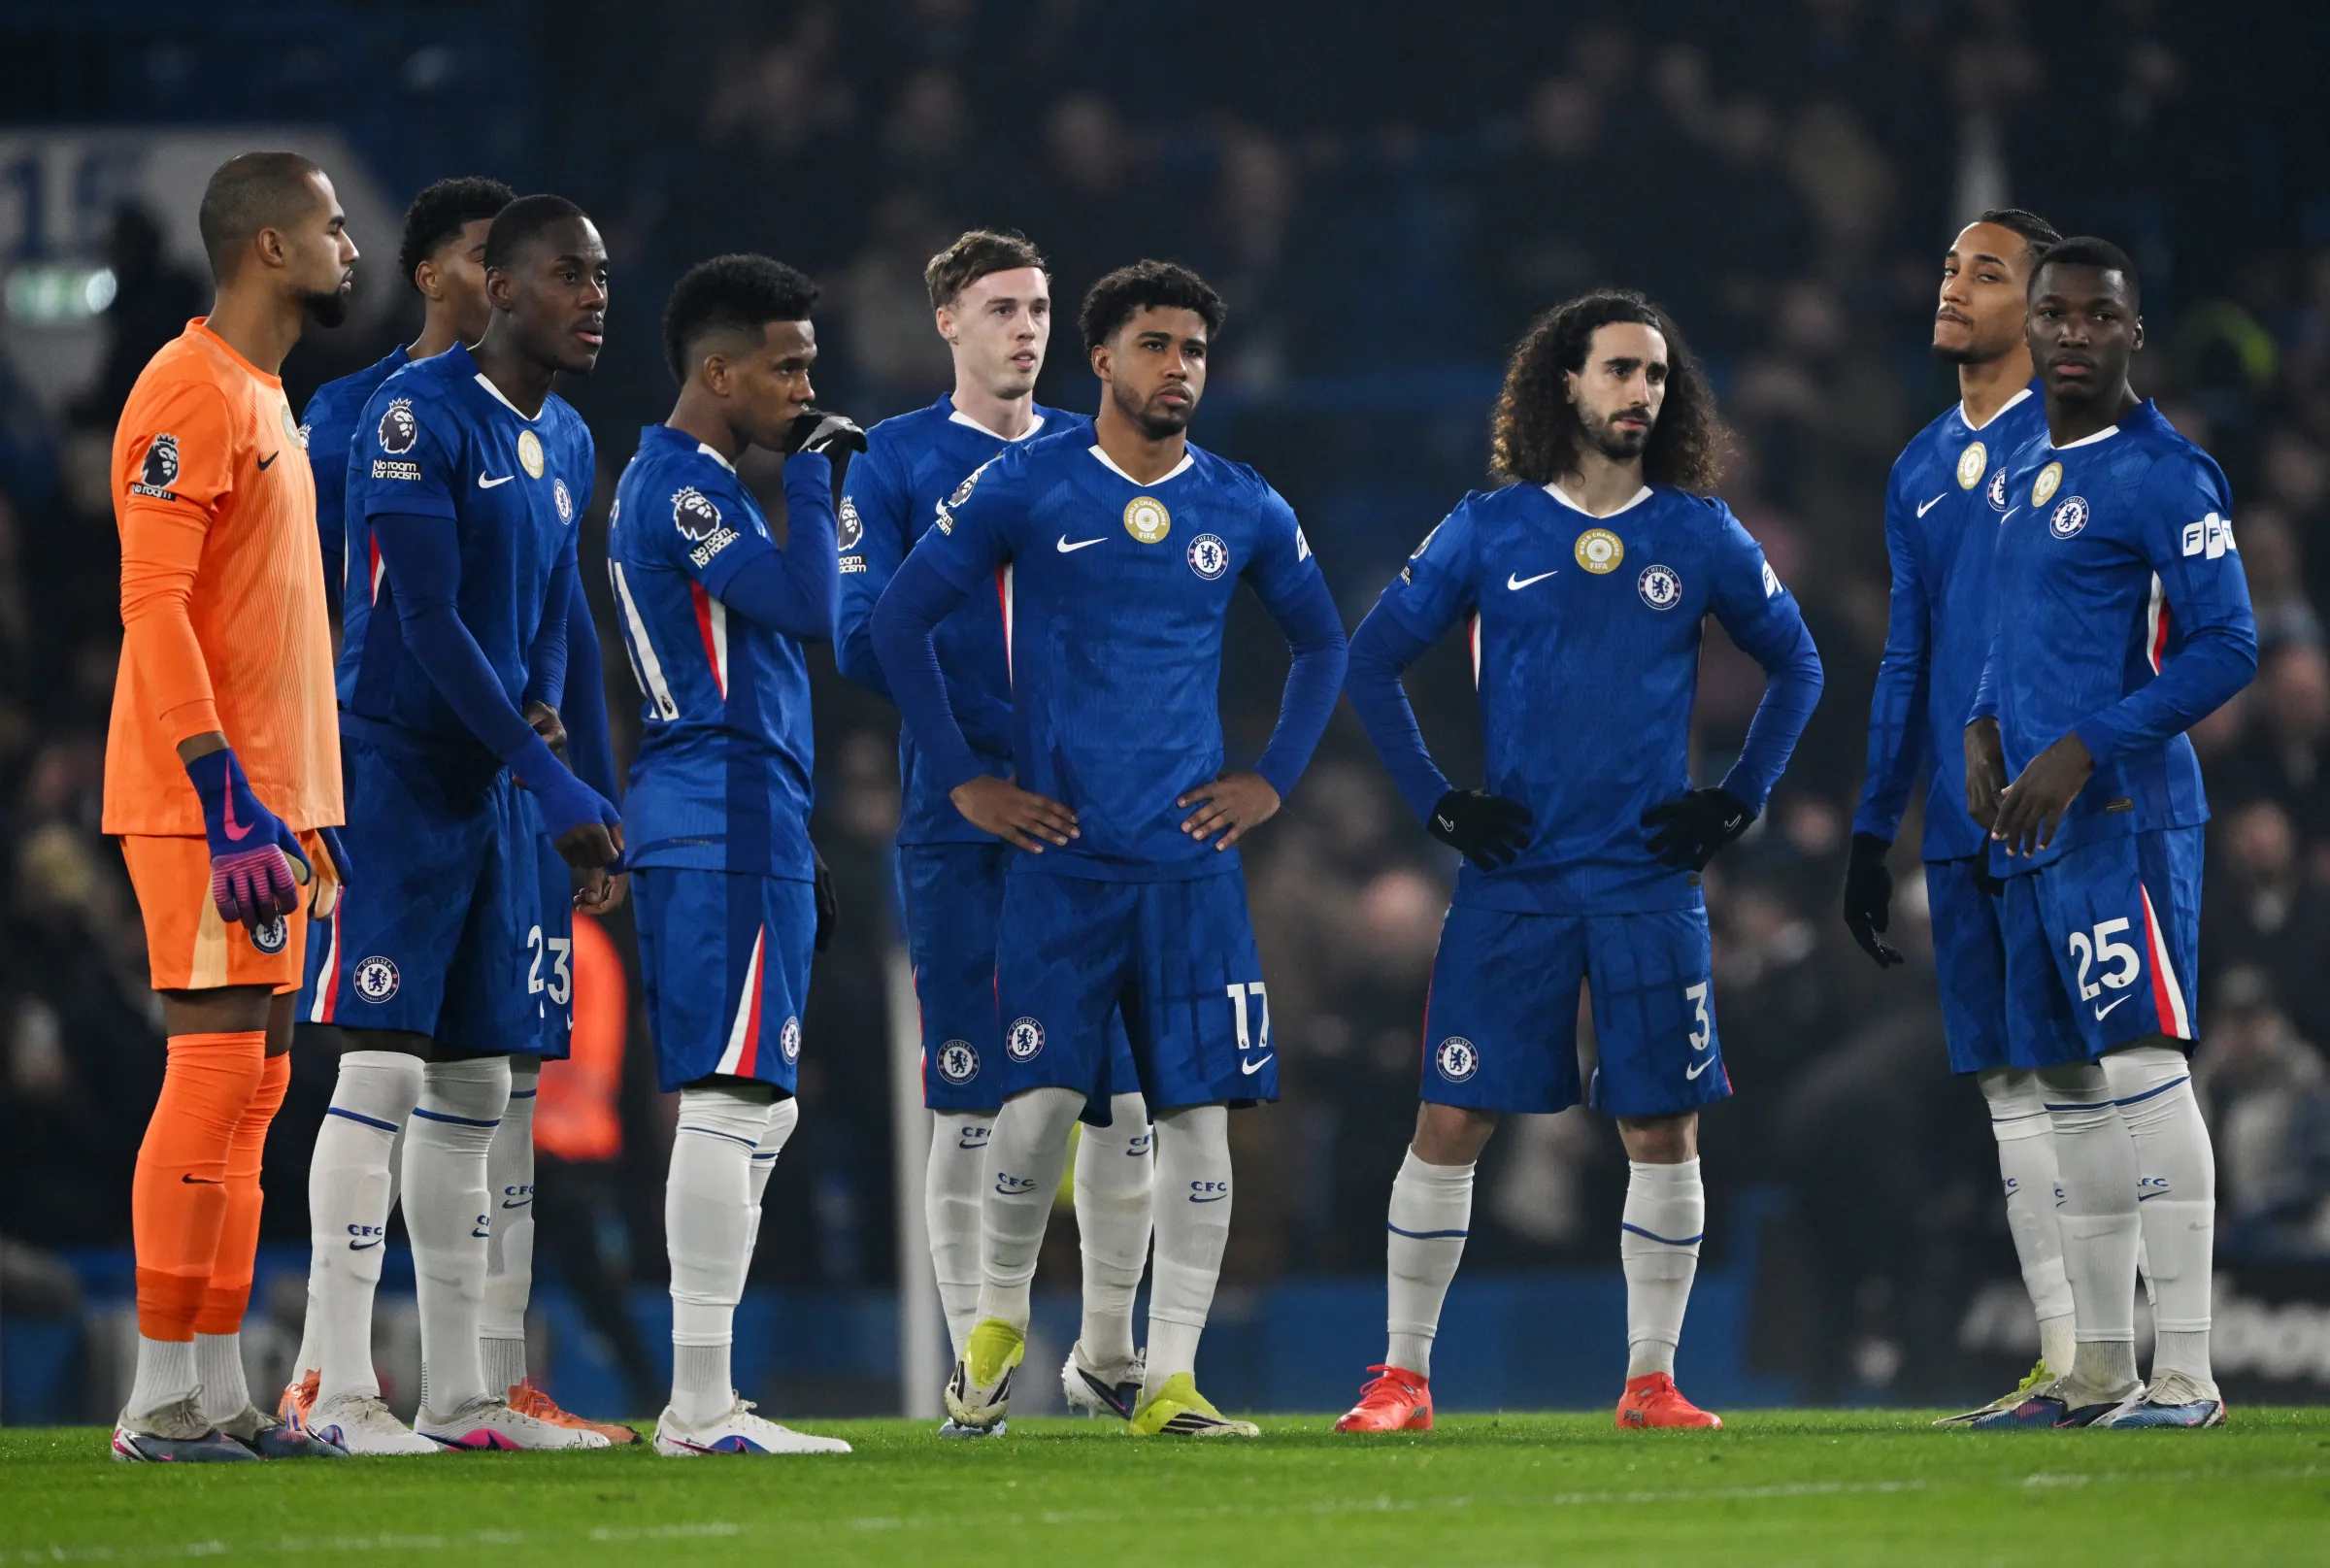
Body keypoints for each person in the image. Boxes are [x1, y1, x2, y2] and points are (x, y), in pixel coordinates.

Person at [873, 259, 1348, 1439]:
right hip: (1065, 861)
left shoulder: (1242, 501)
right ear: (1103, 359)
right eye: (1155, 345)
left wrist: (1269, 779)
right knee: (1033, 1113)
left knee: (1197, 1120)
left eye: (1193, 348)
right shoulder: (1027, 484)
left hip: (1192, 869)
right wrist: (972, 781)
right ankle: (992, 1321)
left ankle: (1170, 1375)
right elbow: (897, 618)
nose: (1178, 366)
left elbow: (1325, 645)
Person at [1334, 290, 1822, 1434]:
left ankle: (1650, 1379)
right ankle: (1403, 1376)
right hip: (1518, 882)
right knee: (1452, 1116)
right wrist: (1439, 804)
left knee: (1663, 1127)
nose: (1639, 394)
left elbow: (1797, 663)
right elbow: (1371, 664)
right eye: (1618, 371)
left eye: (1655, 376)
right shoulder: (1489, 526)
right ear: (1567, 382)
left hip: (1651, 882)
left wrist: (1736, 802)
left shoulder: (1699, 532)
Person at [278, 176, 633, 1446]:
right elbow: (420, 623)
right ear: (494, 285)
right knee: (377, 1062)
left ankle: (467, 1387)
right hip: (398, 770)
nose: (596, 298)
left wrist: (585, 785)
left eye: (601, 277)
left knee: (481, 1082)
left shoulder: (571, 439)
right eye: (570, 275)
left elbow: (559, 622)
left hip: (495, 787)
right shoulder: (405, 415)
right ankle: (336, 1382)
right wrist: (551, 779)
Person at [833, 229, 1155, 1430]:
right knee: (967, 1090)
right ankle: (978, 1365)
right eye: (1002, 308)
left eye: (1039, 307)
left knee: (1114, 1097)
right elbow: (864, 635)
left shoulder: (1095, 451)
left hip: (1092, 819)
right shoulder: (893, 460)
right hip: (961, 815)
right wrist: (985, 745)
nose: (1026, 327)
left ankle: (1111, 1352)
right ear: (948, 325)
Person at [1965, 238, 2257, 1428]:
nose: (2074, 333)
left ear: (2136, 333)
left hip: (2125, 815)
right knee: (2069, 1086)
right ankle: (2098, 1368)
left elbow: (2229, 645)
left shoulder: (2166, 475)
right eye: (2056, 314)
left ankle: (2187, 1371)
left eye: (2100, 316)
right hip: (2033, 827)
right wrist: (1985, 721)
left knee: (2140, 1064)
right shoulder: (2028, 463)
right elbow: (2016, 621)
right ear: (2028, 328)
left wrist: (2089, 743)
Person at [101, 150, 358, 1461]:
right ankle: (154, 1396)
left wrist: (309, 811)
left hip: (275, 812)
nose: (348, 244)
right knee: (207, 1079)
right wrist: (228, 799)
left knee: (255, 1094)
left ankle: (214, 1388)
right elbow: (152, 607)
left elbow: (269, 632)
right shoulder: (185, 386)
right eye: (330, 226)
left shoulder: (268, 396)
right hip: (210, 806)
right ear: (268, 246)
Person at [606, 253, 858, 1456]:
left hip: (739, 814)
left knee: (765, 1103)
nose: (808, 391)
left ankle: (704, 1390)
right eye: (788, 366)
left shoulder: (687, 481)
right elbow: (813, 606)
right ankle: (699, 1402)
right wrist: (813, 485)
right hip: (723, 808)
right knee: (734, 1095)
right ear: (718, 371)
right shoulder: (686, 489)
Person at [1842, 209, 2081, 1423]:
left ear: (2042, 310)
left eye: (1984, 272)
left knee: (2100, 1077)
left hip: (2067, 811)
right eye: (1946, 265)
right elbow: (1907, 660)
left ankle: (2150, 1360)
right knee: (2006, 1090)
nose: (1952, 286)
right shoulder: (1922, 466)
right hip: (1957, 820)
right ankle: (2064, 1355)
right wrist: (1872, 827)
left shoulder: (2086, 442)